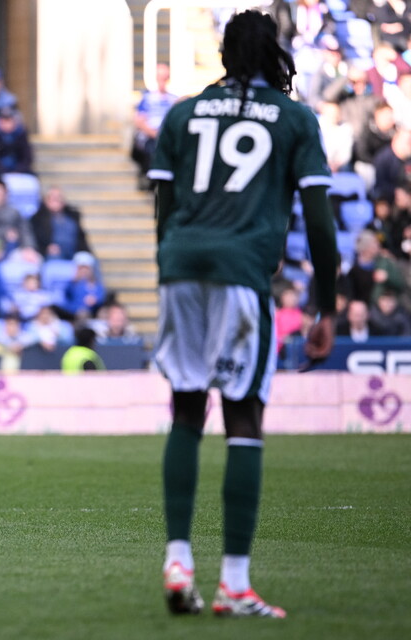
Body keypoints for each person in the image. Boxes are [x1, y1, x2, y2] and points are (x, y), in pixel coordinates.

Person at [147, 10, 338, 618]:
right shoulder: (294, 117)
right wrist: (326, 305)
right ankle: (234, 583)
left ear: (224, 53)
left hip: (181, 265)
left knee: (185, 405)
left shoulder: (182, 112)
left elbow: (164, 207)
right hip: (241, 272)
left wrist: (170, 268)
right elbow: (319, 220)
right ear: (273, 51)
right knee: (243, 416)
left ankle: (178, 558)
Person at [132, 62, 178, 189]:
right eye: (160, 77)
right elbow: (139, 121)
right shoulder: (147, 98)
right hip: (151, 138)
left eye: (165, 77)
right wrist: (155, 134)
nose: (162, 81)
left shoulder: (173, 99)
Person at [30, 187, 91, 260]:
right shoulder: (38, 219)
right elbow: (35, 240)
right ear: (46, 200)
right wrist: (45, 249)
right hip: (49, 254)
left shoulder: (73, 217)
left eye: (59, 197)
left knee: (87, 259)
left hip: (73, 252)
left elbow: (81, 240)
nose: (56, 200)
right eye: (53, 198)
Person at [0, 106, 34, 180]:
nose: (5, 123)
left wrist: (17, 171)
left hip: (17, 169)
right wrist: (4, 172)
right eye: (2, 120)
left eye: (8, 120)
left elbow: (27, 157)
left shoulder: (21, 133)